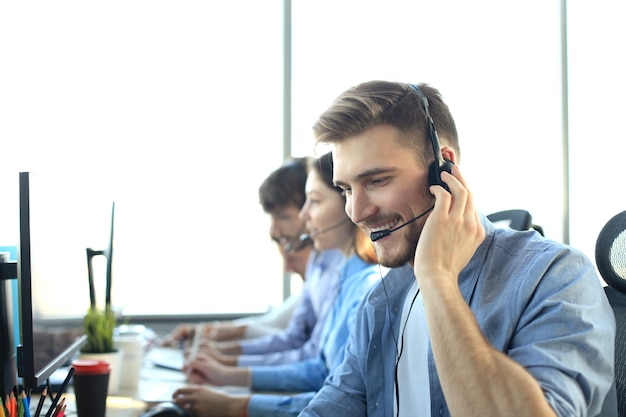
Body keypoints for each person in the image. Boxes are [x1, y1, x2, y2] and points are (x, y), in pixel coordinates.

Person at [298, 81, 616, 417]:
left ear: (443, 168)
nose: (357, 212)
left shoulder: (555, 276)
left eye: (377, 181)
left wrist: (437, 279)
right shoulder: (380, 303)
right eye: (346, 189)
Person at [171, 152, 383, 417]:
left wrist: (235, 403)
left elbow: (340, 398)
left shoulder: (366, 288)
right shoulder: (344, 275)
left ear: (348, 203)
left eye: (314, 201)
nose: (305, 215)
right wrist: (227, 370)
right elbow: (317, 363)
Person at [160, 156, 335, 348]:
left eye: (283, 216)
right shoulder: (319, 269)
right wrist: (203, 332)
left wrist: (215, 341)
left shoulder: (336, 270)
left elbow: (295, 341)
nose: (274, 231)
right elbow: (274, 322)